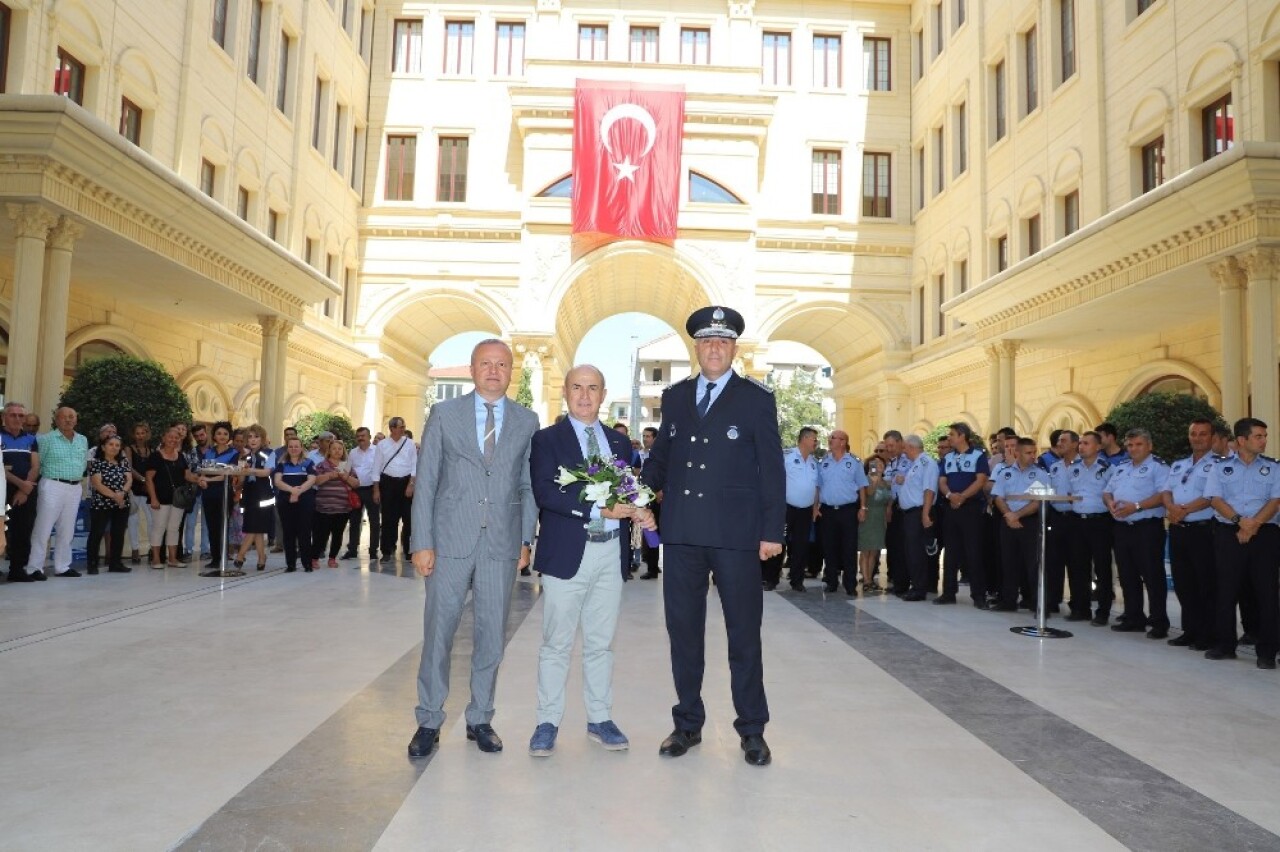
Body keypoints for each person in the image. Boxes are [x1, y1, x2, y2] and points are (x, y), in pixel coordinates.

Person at [641, 305, 784, 767]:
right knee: (683, 633)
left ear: (734, 349)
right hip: (682, 534)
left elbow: (771, 470)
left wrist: (771, 531)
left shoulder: (755, 399)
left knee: (744, 635)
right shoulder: (677, 396)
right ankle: (687, 724)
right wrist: (634, 495)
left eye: (722, 341)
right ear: (697, 348)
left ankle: (752, 730)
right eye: (706, 341)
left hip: (737, 537)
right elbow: (660, 457)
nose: (715, 348)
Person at [407, 339, 539, 759]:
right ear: (472, 367)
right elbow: (426, 481)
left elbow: (527, 484)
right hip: (449, 543)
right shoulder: (445, 414)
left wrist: (525, 539)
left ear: (510, 370)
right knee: (439, 633)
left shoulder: (527, 420)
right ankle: (428, 719)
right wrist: (421, 541)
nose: (494, 371)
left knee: (490, 637)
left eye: (502, 364)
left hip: (500, 544)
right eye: (486, 363)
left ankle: (480, 717)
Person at [526, 365, 656, 757]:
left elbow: (628, 489)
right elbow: (545, 493)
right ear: (566, 392)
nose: (585, 395)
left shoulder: (619, 446)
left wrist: (640, 510)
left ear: (603, 394)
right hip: (568, 553)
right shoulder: (547, 440)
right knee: (556, 643)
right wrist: (602, 510)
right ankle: (547, 722)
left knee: (601, 643)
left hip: (609, 555)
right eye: (577, 388)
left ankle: (600, 718)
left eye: (593, 388)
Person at [1203, 418, 1280, 668]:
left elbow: (1276, 500)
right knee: (1226, 591)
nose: (1264, 440)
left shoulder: (1274, 467)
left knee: (1267, 593)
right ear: (1242, 440)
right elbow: (1215, 499)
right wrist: (1239, 521)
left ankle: (1267, 652)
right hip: (1229, 533)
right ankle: (1225, 645)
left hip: (1264, 535)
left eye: (1265, 435)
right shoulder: (1220, 467)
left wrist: (1253, 524)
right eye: (1259, 436)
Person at [1103, 428, 1171, 638]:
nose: (1133, 449)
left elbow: (1163, 495)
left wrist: (1137, 506)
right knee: (1127, 575)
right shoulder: (1122, 467)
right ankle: (1134, 617)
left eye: (1138, 444)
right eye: (1130, 445)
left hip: (1146, 527)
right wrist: (1111, 504)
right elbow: (1107, 491)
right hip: (1122, 527)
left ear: (1149, 446)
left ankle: (1159, 622)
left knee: (1152, 576)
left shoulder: (1158, 467)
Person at [1161, 419, 1218, 649]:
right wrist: (1171, 508)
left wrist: (1184, 510)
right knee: (1184, 584)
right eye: (1193, 433)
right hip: (1178, 530)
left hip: (1203, 531)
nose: (1197, 437)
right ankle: (1190, 630)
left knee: (1206, 584)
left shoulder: (1218, 464)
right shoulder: (1179, 465)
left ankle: (1208, 634)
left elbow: (1211, 496)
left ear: (1212, 437)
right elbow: (1166, 491)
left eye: (1203, 434)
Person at [25, 407, 90, 579]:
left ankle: (62, 566)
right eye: (64, 417)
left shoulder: (82, 440)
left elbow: (83, 463)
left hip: (75, 487)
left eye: (72, 417)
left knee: (67, 529)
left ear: (76, 420)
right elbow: (40, 463)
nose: (68, 420)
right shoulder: (46, 439)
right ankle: (34, 567)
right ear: (56, 420)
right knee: (43, 528)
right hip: (52, 485)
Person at [991, 437, 1050, 611]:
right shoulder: (1005, 472)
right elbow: (998, 497)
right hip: (1008, 521)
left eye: (1034, 452)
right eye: (1028, 452)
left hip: (1029, 522)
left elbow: (1038, 502)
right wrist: (1009, 515)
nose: (1033, 456)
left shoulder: (1040, 474)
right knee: (1008, 562)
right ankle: (1008, 601)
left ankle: (1036, 603)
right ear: (1017, 453)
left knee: (1033, 564)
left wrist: (1016, 515)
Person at [937, 422, 990, 607]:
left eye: (951, 434)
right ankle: (948, 593)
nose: (949, 437)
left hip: (971, 509)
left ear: (961, 436)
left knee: (974, 551)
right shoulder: (948, 457)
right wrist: (951, 496)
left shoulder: (978, 455)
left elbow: (981, 480)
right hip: (951, 508)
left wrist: (963, 497)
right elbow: (942, 481)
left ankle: (979, 595)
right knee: (951, 552)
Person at [1066, 431, 1116, 624]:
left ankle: (1103, 612)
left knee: (1102, 567)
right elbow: (1071, 491)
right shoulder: (1074, 468)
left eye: (1086, 443)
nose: (1081, 446)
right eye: (1080, 443)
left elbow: (1112, 493)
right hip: (1077, 521)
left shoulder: (1107, 468)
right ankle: (1081, 608)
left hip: (1100, 521)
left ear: (1098, 447)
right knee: (1078, 566)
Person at [816, 429, 869, 596]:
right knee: (829, 547)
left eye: (834, 437)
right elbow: (818, 486)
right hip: (827, 511)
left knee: (849, 548)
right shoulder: (823, 461)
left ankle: (850, 584)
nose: (830, 440)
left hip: (848, 510)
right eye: (830, 437)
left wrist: (863, 507)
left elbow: (862, 486)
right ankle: (831, 581)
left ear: (843, 442)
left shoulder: (854, 462)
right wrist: (815, 507)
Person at [772, 426, 819, 592]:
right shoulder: (787, 457)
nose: (816, 442)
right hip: (786, 508)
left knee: (801, 546)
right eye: (814, 438)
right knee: (779, 543)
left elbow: (816, 487)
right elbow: (775, 480)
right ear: (804, 439)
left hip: (805, 511)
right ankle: (771, 578)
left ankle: (797, 580)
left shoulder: (814, 462)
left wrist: (815, 507)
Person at [894, 434, 939, 601]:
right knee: (911, 551)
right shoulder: (916, 464)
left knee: (916, 552)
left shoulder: (927, 463)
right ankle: (916, 586)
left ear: (912, 447)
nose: (903, 451)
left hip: (918, 512)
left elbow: (929, 490)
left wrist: (925, 514)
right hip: (910, 514)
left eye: (905, 447)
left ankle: (919, 589)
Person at [146, 427, 195, 567]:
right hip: (160, 499)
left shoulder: (181, 456)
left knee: (174, 528)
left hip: (177, 500)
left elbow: (187, 475)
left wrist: (200, 479)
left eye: (176, 437)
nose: (173, 440)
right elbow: (149, 479)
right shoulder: (155, 456)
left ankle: (172, 559)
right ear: (163, 438)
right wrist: (153, 498)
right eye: (170, 437)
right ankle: (156, 559)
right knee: (159, 528)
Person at [2, 402, 41, 582]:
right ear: (4, 417)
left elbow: (35, 465)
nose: (17, 419)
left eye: (21, 416)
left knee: (23, 528)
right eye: (13, 415)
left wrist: (25, 488)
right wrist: (21, 484)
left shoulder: (31, 439)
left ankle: (17, 569)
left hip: (26, 491)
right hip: (2, 489)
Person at [86, 434, 132, 574]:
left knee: (118, 533)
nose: (114, 447)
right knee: (97, 533)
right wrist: (115, 496)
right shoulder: (96, 462)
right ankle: (92, 564)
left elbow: (129, 479)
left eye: (117, 445)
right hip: (101, 502)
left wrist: (122, 493)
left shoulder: (123, 461)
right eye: (111, 444)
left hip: (122, 502)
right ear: (103, 447)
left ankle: (115, 563)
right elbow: (97, 484)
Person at [373, 416, 417, 564]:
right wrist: (376, 489)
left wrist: (411, 484)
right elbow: (376, 467)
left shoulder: (410, 443)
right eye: (400, 427)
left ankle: (408, 550)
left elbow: (414, 465)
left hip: (405, 482)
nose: (403, 429)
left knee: (408, 518)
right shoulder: (382, 445)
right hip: (388, 482)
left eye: (404, 426)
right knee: (387, 519)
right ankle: (386, 550)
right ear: (392, 429)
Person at [197, 421, 239, 569]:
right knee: (211, 526)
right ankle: (215, 558)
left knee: (222, 526)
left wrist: (208, 478)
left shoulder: (234, 453)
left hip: (224, 492)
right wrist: (202, 479)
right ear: (214, 435)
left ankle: (222, 556)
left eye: (225, 434)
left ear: (229, 436)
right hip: (208, 493)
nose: (222, 436)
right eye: (219, 433)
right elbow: (203, 469)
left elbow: (227, 474)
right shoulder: (209, 451)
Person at [233, 424, 275, 571]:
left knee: (254, 527)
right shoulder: (245, 456)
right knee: (256, 528)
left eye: (256, 436)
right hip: (249, 493)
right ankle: (262, 557)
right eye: (249, 437)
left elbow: (267, 472)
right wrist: (237, 485)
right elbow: (241, 476)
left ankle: (240, 555)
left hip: (263, 494)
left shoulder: (270, 453)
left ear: (263, 438)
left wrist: (249, 470)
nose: (252, 440)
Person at [312, 439, 358, 568]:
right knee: (320, 535)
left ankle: (332, 558)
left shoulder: (347, 466)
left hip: (343, 508)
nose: (337, 451)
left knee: (338, 535)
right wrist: (329, 476)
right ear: (329, 451)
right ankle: (314, 558)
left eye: (340, 448)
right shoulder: (322, 465)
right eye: (334, 448)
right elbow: (316, 481)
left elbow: (356, 484)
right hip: (323, 507)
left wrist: (346, 477)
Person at [273, 437, 317, 572]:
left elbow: (312, 479)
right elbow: (277, 481)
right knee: (288, 532)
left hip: (305, 500)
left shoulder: (309, 463)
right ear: (287, 448)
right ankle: (290, 564)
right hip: (285, 501)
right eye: (291, 446)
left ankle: (307, 564)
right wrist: (292, 490)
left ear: (301, 447)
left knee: (304, 532)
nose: (293, 449)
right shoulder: (282, 463)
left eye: (296, 446)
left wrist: (298, 492)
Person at [344, 426, 379, 561]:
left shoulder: (377, 451)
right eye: (358, 436)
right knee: (354, 521)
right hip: (356, 490)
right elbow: (347, 470)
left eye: (363, 436)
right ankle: (352, 550)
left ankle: (373, 551)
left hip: (372, 489)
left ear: (369, 437)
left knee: (374, 521)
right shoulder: (353, 453)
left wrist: (378, 490)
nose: (360, 438)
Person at [858, 456, 893, 593]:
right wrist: (874, 478)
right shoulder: (867, 480)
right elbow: (869, 493)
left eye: (881, 463)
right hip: (868, 515)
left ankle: (870, 579)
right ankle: (866, 580)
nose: (879, 465)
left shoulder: (886, 482)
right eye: (875, 464)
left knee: (874, 551)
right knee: (865, 550)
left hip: (879, 518)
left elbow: (888, 499)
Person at [125, 423, 154, 565]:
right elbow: (128, 467)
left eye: (143, 433)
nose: (140, 436)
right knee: (133, 521)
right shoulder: (129, 449)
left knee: (151, 521)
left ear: (147, 434)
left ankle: (151, 549)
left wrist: (148, 482)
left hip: (148, 489)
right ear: (133, 435)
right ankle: (135, 550)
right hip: (134, 488)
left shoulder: (151, 450)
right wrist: (142, 479)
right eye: (138, 433)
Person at [637, 426, 662, 580]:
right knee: (651, 533)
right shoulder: (646, 457)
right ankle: (652, 568)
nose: (645, 439)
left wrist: (663, 491)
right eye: (643, 436)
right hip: (651, 501)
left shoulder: (666, 454)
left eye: (648, 436)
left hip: (667, 500)